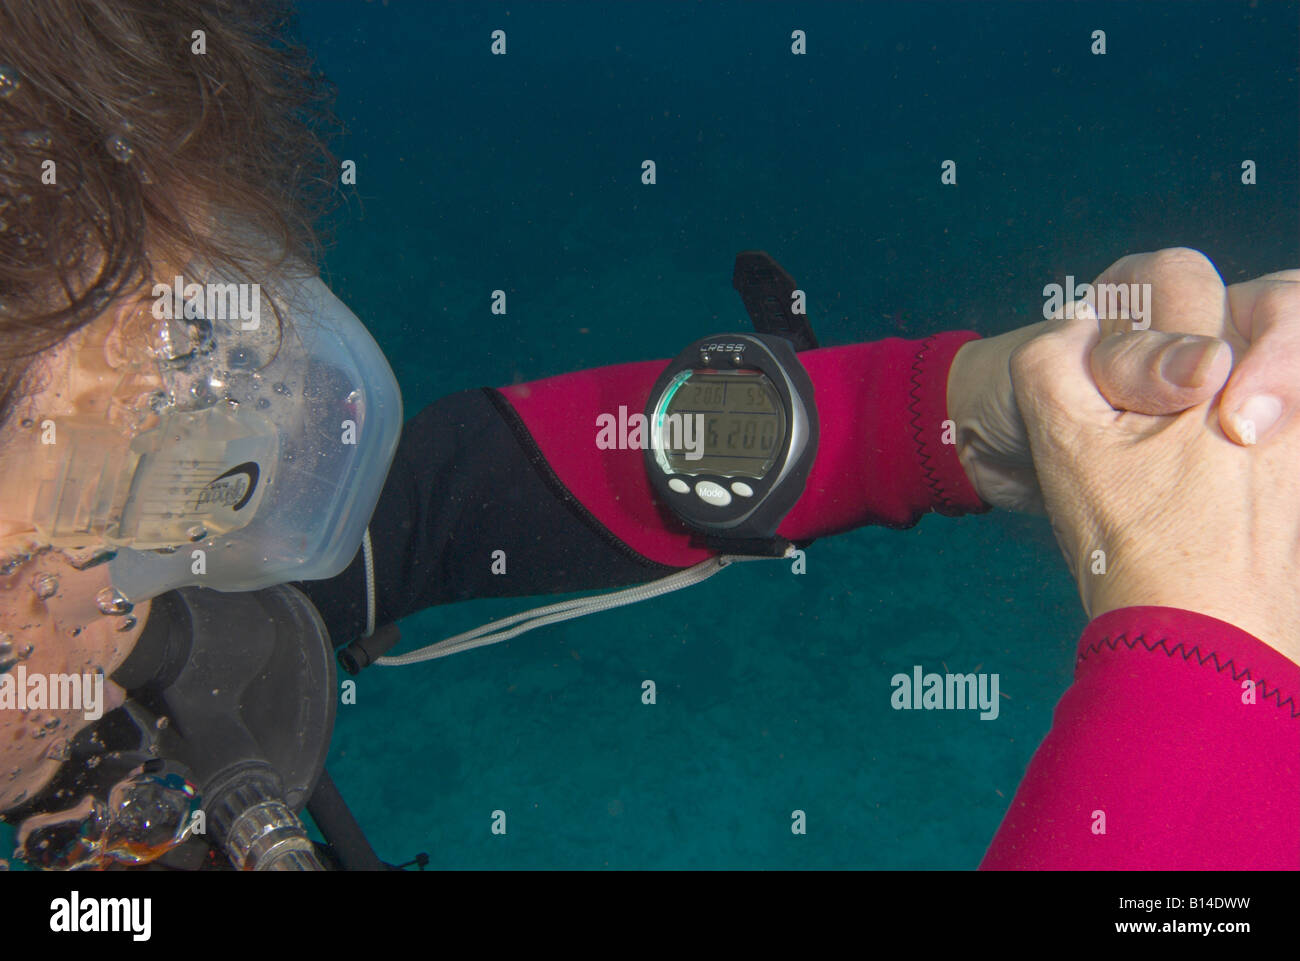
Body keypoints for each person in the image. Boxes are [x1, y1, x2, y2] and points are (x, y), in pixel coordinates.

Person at [0, 1, 1294, 870]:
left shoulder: (107, 622)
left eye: (185, 440)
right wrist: (1210, 690)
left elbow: (426, 515)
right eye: (82, 516)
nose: (151, 591)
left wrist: (957, 413)